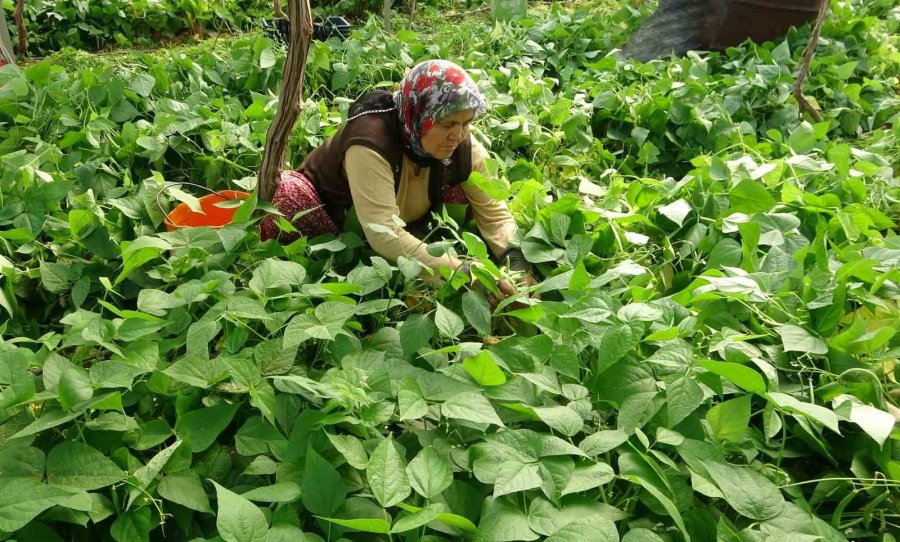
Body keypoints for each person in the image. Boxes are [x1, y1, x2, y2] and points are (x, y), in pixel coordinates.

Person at [260, 59, 535, 295]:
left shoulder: (462, 145)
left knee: (467, 186)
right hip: (337, 213)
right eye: (447, 124)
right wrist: (461, 271)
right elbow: (383, 231)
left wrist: (517, 261)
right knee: (284, 199)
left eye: (466, 123)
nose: (458, 135)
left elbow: (495, 213)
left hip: (402, 216)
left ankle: (415, 247)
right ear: (420, 116)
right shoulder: (370, 141)